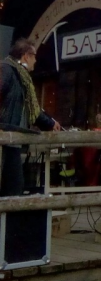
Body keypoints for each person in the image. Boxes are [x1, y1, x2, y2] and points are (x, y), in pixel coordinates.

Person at [0, 38, 60, 196]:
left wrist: (50, 123)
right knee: (12, 190)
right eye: (34, 56)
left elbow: (32, 110)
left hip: (12, 140)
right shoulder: (7, 70)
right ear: (26, 56)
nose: (36, 60)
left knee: (13, 189)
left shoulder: (21, 77)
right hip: (5, 138)